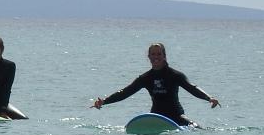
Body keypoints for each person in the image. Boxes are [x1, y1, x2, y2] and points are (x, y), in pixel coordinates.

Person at [91, 43, 220, 126]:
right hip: (156, 117)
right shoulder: (146, 78)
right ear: (149, 57)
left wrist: (209, 98)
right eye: (153, 54)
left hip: (176, 117)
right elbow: (125, 92)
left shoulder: (175, 75)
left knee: (197, 129)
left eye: (159, 54)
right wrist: (104, 101)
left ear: (164, 56)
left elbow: (192, 88)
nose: (156, 57)